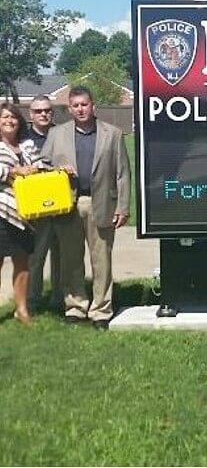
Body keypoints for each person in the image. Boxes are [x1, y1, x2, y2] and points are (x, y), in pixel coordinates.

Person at [41, 86, 131, 330]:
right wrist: (58, 172)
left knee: (102, 261)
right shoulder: (57, 135)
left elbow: (122, 174)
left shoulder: (112, 134)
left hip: (100, 202)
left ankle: (101, 310)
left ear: (93, 106)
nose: (80, 109)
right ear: (69, 109)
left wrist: (122, 207)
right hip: (67, 204)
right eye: (75, 105)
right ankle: (76, 306)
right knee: (71, 260)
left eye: (84, 104)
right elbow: (42, 166)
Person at [0, 102, 46, 324]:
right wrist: (12, 171)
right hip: (1, 211)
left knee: (22, 262)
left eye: (13, 117)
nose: (9, 121)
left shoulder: (27, 145)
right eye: (5, 117)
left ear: (20, 121)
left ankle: (21, 310)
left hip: (25, 214)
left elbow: (40, 166)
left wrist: (35, 169)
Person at [26, 95, 62, 313]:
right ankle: (32, 301)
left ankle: (60, 299)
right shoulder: (24, 140)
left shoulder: (63, 135)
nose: (43, 114)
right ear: (31, 114)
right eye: (38, 111)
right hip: (37, 209)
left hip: (64, 206)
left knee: (62, 257)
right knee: (36, 257)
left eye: (47, 110)